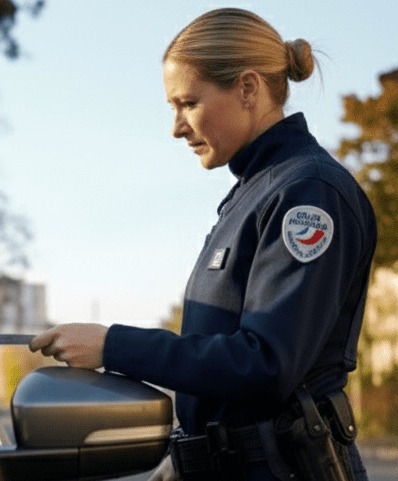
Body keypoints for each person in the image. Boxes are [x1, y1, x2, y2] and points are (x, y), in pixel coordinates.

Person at [29, 8, 375, 481]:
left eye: (187, 103)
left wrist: (114, 346)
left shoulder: (308, 194)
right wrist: (191, 452)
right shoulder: (255, 194)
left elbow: (266, 362)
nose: (176, 127)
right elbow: (223, 369)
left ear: (248, 89)